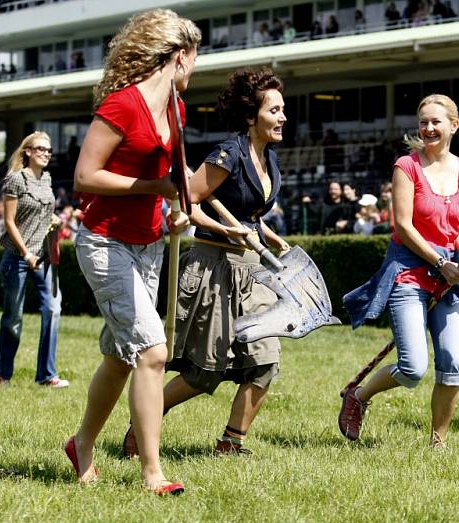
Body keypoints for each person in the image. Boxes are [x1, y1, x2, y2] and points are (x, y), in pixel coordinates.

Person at [121, 67, 291, 458]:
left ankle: (231, 443)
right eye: (274, 110)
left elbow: (248, 209)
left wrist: (264, 231)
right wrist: (229, 232)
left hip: (251, 271)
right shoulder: (227, 153)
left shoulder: (269, 158)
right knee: (205, 371)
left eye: (283, 110)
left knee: (265, 362)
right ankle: (145, 420)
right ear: (252, 116)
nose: (283, 117)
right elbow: (187, 203)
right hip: (213, 266)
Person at [66, 9, 200, 494]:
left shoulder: (177, 112)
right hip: (104, 242)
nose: (196, 68)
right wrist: (157, 184)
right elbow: (85, 177)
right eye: (196, 58)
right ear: (180, 57)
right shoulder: (123, 106)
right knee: (152, 351)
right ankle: (152, 473)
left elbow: (171, 184)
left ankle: (81, 444)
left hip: (150, 245)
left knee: (122, 357)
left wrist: (176, 207)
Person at [339, 94, 459, 448]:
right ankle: (359, 396)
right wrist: (440, 263)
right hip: (409, 273)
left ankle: (438, 443)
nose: (428, 128)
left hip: (449, 277)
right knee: (414, 368)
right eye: (423, 122)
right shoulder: (407, 166)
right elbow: (403, 226)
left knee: (452, 365)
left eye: (436, 122)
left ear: (454, 125)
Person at [0, 131, 67, 389]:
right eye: (40, 149)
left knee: (53, 308)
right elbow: (10, 222)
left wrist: (54, 218)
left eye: (49, 150)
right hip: (18, 258)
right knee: (13, 319)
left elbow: (43, 212)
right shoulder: (16, 180)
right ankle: (4, 375)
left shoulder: (46, 179)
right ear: (27, 151)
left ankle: (47, 375)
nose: (46, 153)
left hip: (43, 256)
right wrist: (26, 252)